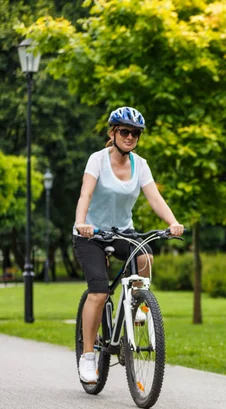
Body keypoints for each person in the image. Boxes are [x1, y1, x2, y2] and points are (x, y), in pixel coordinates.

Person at [73, 106, 184, 384]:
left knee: (145, 257)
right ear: (113, 133)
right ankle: (88, 356)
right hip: (91, 234)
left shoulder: (141, 164)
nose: (130, 137)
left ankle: (138, 307)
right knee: (98, 293)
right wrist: (81, 222)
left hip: (123, 233)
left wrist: (173, 222)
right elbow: (85, 194)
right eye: (125, 131)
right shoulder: (97, 160)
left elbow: (155, 198)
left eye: (135, 133)